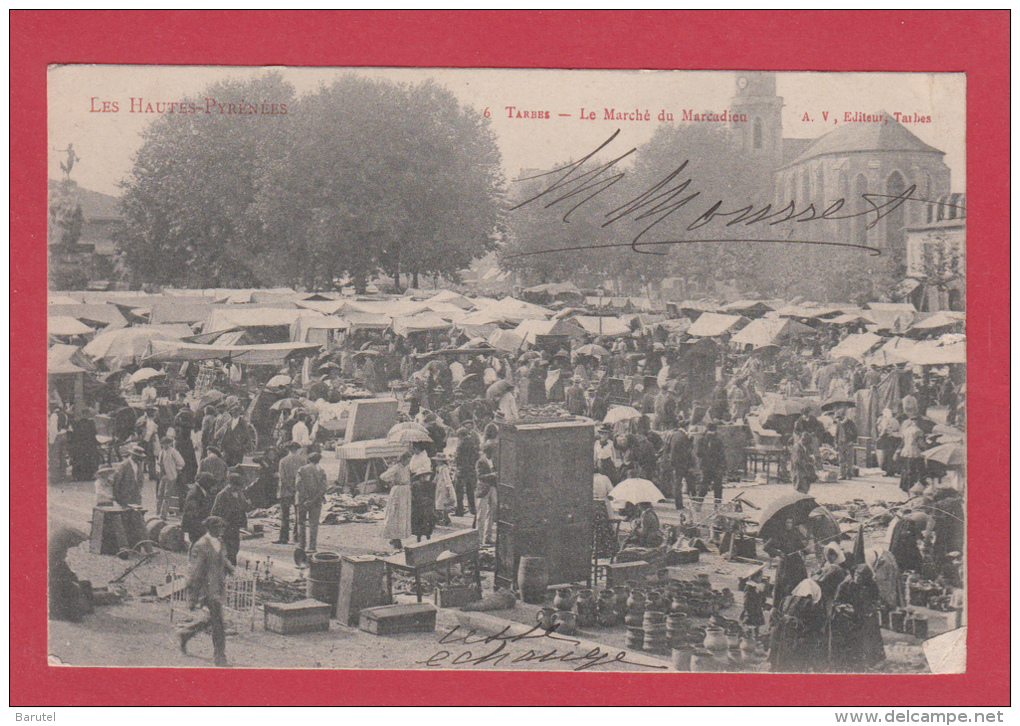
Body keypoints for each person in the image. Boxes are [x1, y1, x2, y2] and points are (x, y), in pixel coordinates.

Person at [179, 516, 232, 667]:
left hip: (218, 587)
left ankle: (186, 634)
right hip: (206, 589)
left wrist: (229, 567)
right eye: (219, 527)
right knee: (218, 623)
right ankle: (219, 656)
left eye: (223, 526)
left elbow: (222, 559)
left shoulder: (220, 543)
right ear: (211, 528)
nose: (222, 529)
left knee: (211, 619)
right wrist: (193, 596)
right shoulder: (201, 545)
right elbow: (195, 571)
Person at [830, 564, 886, 671]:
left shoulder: (871, 585)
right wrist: (843, 607)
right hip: (848, 615)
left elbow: (876, 600)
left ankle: (875, 658)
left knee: (872, 626)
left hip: (864, 613)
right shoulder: (846, 585)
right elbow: (836, 602)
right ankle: (848, 659)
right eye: (856, 574)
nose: (857, 578)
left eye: (861, 576)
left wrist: (872, 608)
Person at [768, 578, 829, 673]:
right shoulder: (810, 604)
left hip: (781, 635)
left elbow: (778, 615)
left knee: (781, 662)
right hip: (797, 638)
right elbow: (816, 624)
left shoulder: (786, 599)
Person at [210, 472, 248, 566]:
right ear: (231, 484)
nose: (239, 488)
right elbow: (214, 512)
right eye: (237, 486)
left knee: (235, 549)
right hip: (226, 526)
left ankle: (231, 570)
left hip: (235, 526)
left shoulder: (239, 493)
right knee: (227, 551)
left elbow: (243, 507)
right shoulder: (222, 495)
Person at [296, 452, 328, 553]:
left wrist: (305, 498)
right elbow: (323, 488)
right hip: (316, 501)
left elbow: (298, 485)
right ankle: (312, 547)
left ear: (308, 459)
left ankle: (301, 545)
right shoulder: (321, 471)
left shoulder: (302, 469)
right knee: (314, 524)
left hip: (302, 501)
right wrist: (313, 499)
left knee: (301, 523)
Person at [380, 451, 413, 550]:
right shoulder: (396, 467)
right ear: (403, 459)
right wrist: (392, 480)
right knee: (395, 514)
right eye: (407, 459)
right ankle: (395, 538)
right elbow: (383, 476)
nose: (409, 461)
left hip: (406, 491)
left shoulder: (407, 468)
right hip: (398, 491)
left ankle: (397, 536)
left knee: (403, 515)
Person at [274, 441, 306, 544]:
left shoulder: (283, 461)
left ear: (288, 449)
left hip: (285, 492)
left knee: (285, 515)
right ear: (297, 449)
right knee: (298, 516)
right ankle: (297, 538)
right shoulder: (302, 460)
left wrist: (289, 487)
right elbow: (303, 476)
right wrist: (296, 488)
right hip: (298, 491)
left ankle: (284, 538)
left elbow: (283, 477)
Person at [695, 423, 726, 507]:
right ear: (715, 430)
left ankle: (698, 504)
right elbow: (722, 455)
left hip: (705, 467)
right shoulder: (718, 441)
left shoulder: (701, 440)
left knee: (703, 486)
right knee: (718, 488)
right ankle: (717, 506)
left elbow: (698, 453)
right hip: (716, 467)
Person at [452, 423, 480, 517]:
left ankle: (460, 510)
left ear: (460, 435)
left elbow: (458, 457)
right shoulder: (472, 443)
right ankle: (473, 509)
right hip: (471, 469)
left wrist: (455, 460)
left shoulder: (461, 444)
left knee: (458, 490)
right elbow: (476, 456)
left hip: (462, 470)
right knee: (470, 490)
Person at [68, 408, 102, 482]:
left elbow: (75, 433)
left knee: (82, 459)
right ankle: (87, 476)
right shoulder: (90, 423)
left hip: (82, 443)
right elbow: (94, 432)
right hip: (87, 443)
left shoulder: (78, 423)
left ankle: (81, 476)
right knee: (88, 459)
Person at [182, 472, 216, 545]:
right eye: (210, 483)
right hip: (195, 527)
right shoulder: (194, 493)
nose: (211, 486)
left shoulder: (201, 490)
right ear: (205, 483)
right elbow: (192, 513)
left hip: (199, 525)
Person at [474, 442, 498, 545]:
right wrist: (492, 475)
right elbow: (479, 476)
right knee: (481, 515)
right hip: (483, 489)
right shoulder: (480, 462)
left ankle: (488, 537)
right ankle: (479, 539)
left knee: (491, 513)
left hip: (492, 488)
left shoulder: (495, 461)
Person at [157, 435, 186, 518]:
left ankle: (163, 514)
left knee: (167, 495)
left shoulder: (173, 452)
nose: (164, 445)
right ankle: (157, 512)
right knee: (160, 494)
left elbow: (181, 463)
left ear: (169, 444)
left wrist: (175, 470)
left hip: (171, 476)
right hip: (163, 475)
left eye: (166, 444)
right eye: (163, 444)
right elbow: (159, 463)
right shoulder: (161, 452)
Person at [876, 408, 901, 476]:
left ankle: (888, 470)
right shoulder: (895, 420)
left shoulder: (886, 420)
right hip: (897, 438)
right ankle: (894, 470)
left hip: (889, 438)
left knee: (888, 455)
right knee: (893, 455)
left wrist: (880, 436)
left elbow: (884, 428)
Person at [835, 409, 858, 480]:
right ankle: (842, 474)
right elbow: (837, 433)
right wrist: (836, 443)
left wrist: (852, 441)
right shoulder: (839, 423)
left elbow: (855, 432)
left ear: (843, 416)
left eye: (840, 417)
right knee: (841, 459)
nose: (839, 419)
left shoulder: (850, 422)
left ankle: (849, 474)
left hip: (848, 443)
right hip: (841, 443)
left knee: (849, 459)